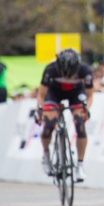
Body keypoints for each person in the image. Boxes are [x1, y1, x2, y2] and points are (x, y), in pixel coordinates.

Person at [35, 48, 93, 182]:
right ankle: (46, 156)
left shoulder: (85, 70)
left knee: (80, 125)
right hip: (54, 93)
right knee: (49, 125)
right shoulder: (50, 69)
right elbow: (41, 95)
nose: (68, 76)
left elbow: (89, 96)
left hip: (75, 93)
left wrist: (86, 109)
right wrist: (39, 110)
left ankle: (80, 165)